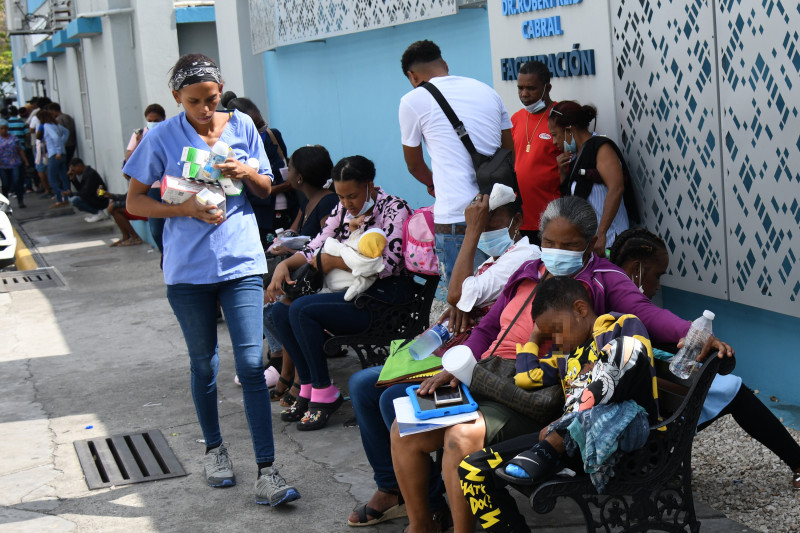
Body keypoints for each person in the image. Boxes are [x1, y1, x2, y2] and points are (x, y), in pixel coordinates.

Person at [390, 196, 733, 533]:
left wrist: (696, 335)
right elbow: (489, 327)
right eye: (549, 242)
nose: (556, 250)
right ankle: (423, 525)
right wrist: (457, 367)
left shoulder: (603, 278)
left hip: (535, 395)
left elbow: (646, 315)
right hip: (488, 374)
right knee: (403, 431)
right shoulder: (526, 270)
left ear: (588, 244)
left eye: (568, 244)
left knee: (460, 438)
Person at [123, 53, 300, 506]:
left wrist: (245, 172)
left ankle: (267, 470)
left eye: (212, 99)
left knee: (249, 367)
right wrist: (183, 209)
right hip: (187, 271)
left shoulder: (242, 126)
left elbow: (266, 186)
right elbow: (135, 203)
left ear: (222, 92)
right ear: (176, 98)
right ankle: (216, 451)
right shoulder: (160, 137)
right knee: (203, 364)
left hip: (240, 262)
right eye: (195, 101)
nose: (205, 109)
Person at [346, 186, 538, 528]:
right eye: (480, 219)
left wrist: (472, 232)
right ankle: (392, 488)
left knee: (395, 399)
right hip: (454, 346)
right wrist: (456, 308)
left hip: (480, 361)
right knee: (362, 384)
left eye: (493, 219)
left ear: (518, 221)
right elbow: (461, 301)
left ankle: (433, 503)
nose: (486, 227)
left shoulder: (524, 257)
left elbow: (457, 294)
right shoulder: (494, 261)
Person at [459, 277, 658, 531]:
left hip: (628, 441)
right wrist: (535, 334)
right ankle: (562, 433)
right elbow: (526, 377)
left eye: (556, 329)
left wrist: (567, 418)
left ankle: (562, 431)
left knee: (626, 349)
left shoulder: (620, 326)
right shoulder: (567, 358)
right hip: (570, 447)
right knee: (471, 468)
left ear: (580, 309)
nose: (554, 340)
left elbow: (631, 363)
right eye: (549, 335)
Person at [609, 227, 800, 490]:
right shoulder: (621, 290)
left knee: (721, 387)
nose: (658, 285)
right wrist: (695, 335)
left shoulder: (603, 282)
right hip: (638, 412)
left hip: (634, 397)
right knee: (732, 390)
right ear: (635, 268)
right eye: (657, 275)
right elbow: (652, 315)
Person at [267, 155, 412, 431]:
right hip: (351, 293)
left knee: (301, 309)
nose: (346, 203)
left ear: (370, 185)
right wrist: (285, 265)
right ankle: (309, 385)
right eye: (341, 197)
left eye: (352, 196)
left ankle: (324, 391)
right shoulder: (343, 211)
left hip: (382, 300)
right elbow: (317, 245)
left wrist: (334, 262)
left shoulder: (395, 208)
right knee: (280, 311)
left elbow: (390, 264)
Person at [398, 39, 513, 284]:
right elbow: (508, 151)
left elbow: (414, 165)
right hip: (500, 213)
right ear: (445, 64)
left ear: (412, 76)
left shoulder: (412, 100)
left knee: (464, 305)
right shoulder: (487, 91)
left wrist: (433, 184)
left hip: (456, 217)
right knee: (502, 303)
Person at [265, 145, 338, 407]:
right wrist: (283, 244)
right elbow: (295, 231)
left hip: (319, 277)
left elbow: (323, 245)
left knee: (283, 304)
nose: (287, 171)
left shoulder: (329, 201)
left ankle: (293, 373)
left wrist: (290, 252)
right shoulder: (307, 200)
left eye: (291, 168)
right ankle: (289, 370)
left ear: (299, 178)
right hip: (301, 269)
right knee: (270, 298)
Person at [548, 101, 639, 254]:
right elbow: (571, 199)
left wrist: (601, 233)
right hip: (591, 245)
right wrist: (562, 173)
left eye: (555, 135)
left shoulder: (600, 148)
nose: (554, 142)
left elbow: (616, 188)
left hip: (610, 242)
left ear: (569, 130)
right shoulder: (578, 156)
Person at [224, 93, 296, 248]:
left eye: (261, 125)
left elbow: (285, 165)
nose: (259, 132)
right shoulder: (234, 149)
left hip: (288, 209)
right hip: (262, 215)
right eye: (253, 128)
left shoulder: (273, 136)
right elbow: (252, 191)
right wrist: (284, 186)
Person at [511, 61, 561, 245]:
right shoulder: (515, 119)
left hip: (552, 219)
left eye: (531, 88)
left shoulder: (560, 117)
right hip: (520, 218)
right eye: (520, 88)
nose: (524, 94)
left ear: (547, 88)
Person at [124, 104, 167, 252]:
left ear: (163, 119)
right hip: (151, 187)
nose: (153, 122)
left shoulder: (168, 133)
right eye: (150, 120)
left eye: (157, 120)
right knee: (156, 229)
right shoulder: (139, 134)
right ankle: (164, 254)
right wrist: (140, 141)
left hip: (169, 185)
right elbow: (129, 159)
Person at [38, 109, 70, 208]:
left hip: (54, 154)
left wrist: (58, 151)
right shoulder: (56, 125)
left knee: (52, 178)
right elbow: (66, 132)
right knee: (63, 176)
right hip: (62, 153)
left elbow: (55, 137)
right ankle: (67, 197)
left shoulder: (46, 126)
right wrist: (62, 143)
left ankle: (60, 198)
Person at [67, 158, 109, 222]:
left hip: (101, 200)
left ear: (79, 166)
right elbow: (81, 190)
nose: (74, 172)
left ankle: (98, 213)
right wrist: (74, 180)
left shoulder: (90, 174)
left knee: (75, 200)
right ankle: (97, 213)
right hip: (95, 197)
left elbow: (86, 193)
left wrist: (71, 194)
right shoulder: (86, 173)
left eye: (73, 170)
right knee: (73, 199)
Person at [0, 119, 30, 208]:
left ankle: (20, 200)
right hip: (2, 165)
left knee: (17, 181)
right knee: (5, 184)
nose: (3, 130)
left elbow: (20, 150)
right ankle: (5, 204)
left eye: (5, 128)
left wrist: (26, 161)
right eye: (1, 129)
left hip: (15, 163)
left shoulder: (13, 138)